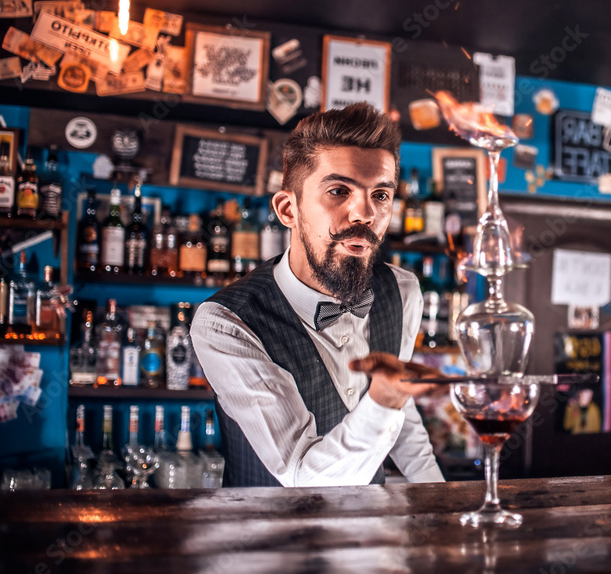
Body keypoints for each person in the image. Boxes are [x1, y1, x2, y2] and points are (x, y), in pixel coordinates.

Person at [190, 102, 447, 487]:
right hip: (268, 539)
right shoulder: (226, 323)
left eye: (380, 195)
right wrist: (384, 399)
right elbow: (302, 476)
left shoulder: (403, 290)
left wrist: (442, 502)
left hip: (368, 539)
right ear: (287, 209)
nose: (364, 214)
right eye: (338, 190)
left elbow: (403, 419)